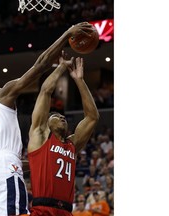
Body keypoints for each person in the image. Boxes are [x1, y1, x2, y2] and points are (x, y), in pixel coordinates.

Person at [0, 22, 94, 216]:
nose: (0, 87)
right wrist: (66, 34)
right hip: (5, 164)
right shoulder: (0, 96)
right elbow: (40, 65)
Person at [27, 55, 99, 216]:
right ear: (47, 124)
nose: (62, 117)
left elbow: (92, 117)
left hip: (66, 211)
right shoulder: (40, 136)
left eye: (63, 116)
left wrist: (79, 80)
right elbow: (46, 91)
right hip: (42, 210)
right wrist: (61, 67)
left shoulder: (72, 144)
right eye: (55, 116)